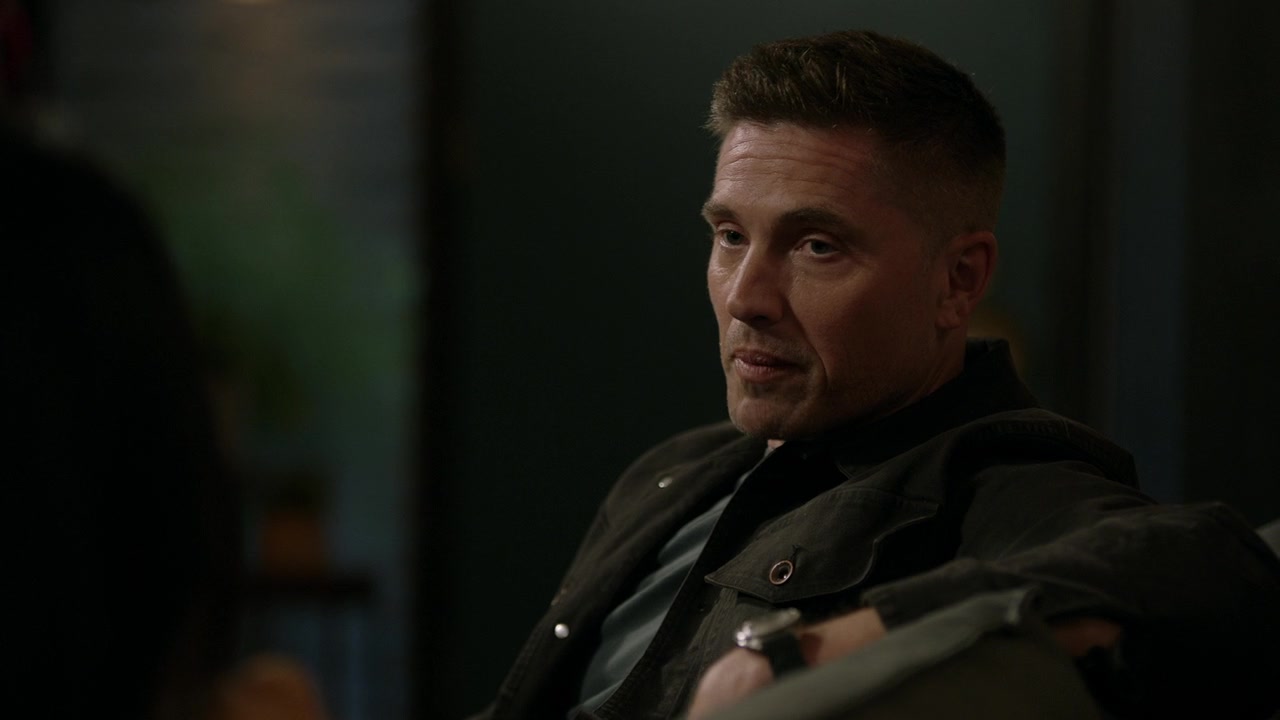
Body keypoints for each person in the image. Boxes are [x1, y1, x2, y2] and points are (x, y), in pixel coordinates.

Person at [473, 30, 1280, 719]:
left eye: (816, 246)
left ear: (958, 280)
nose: (747, 297)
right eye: (729, 235)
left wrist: (833, 644)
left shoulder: (998, 487)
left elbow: (1221, 570)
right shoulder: (674, 472)